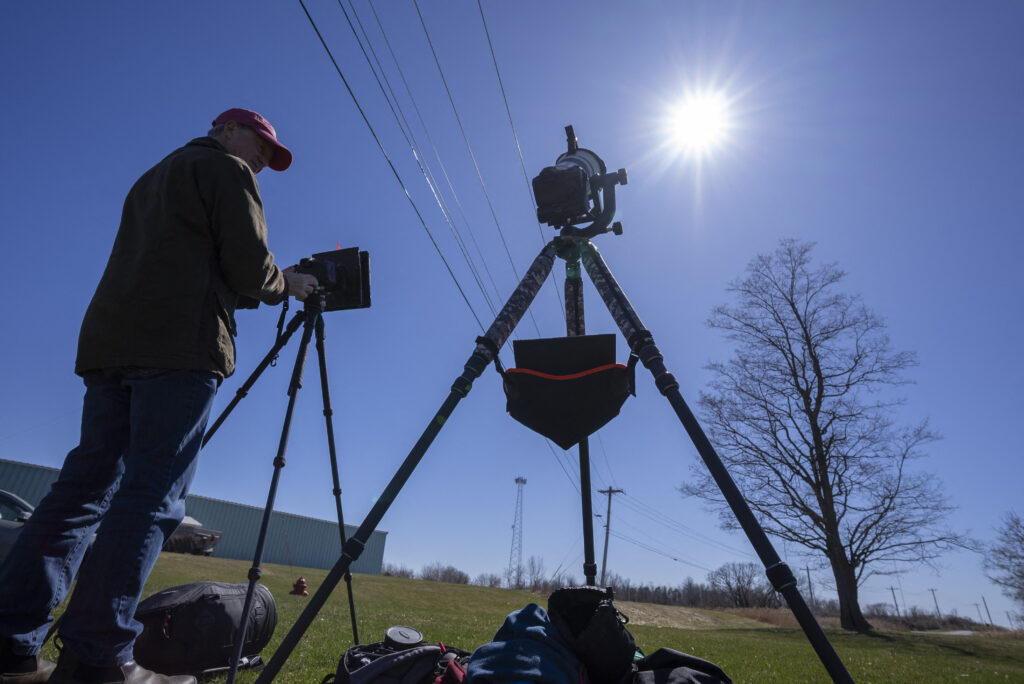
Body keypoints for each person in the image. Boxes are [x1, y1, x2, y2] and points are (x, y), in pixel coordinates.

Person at [0, 108, 319, 684]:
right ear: (227, 129)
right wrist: (285, 283)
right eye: (259, 146)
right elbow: (249, 267)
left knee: (81, 490)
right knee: (151, 496)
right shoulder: (226, 169)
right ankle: (96, 654)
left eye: (270, 159)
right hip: (178, 348)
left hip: (112, 342)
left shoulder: (156, 175)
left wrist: (260, 283)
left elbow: (195, 266)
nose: (261, 162)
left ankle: (10, 641)